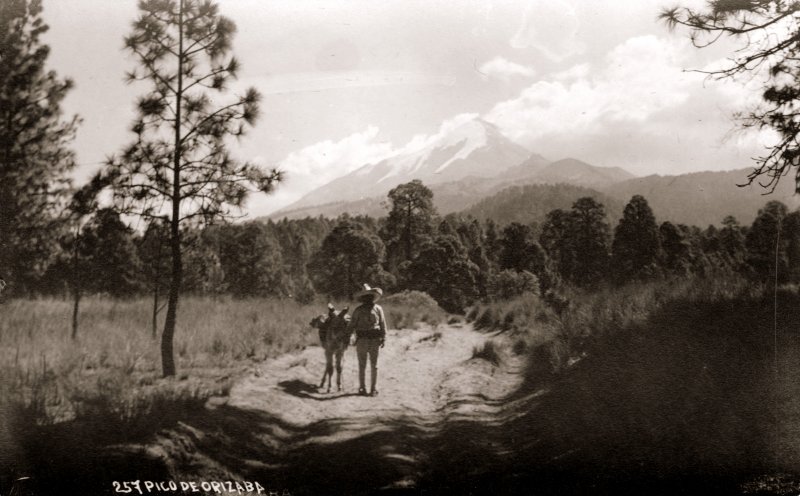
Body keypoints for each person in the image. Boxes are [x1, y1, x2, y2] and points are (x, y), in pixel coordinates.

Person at [348, 283, 387, 396]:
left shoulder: (378, 309)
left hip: (375, 340)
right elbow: (352, 325)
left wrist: (384, 337)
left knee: (374, 365)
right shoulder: (358, 310)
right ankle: (362, 388)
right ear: (363, 298)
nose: (368, 299)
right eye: (366, 297)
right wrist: (349, 336)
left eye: (369, 296)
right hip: (362, 340)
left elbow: (382, 324)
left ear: (372, 297)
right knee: (362, 365)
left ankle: (373, 389)